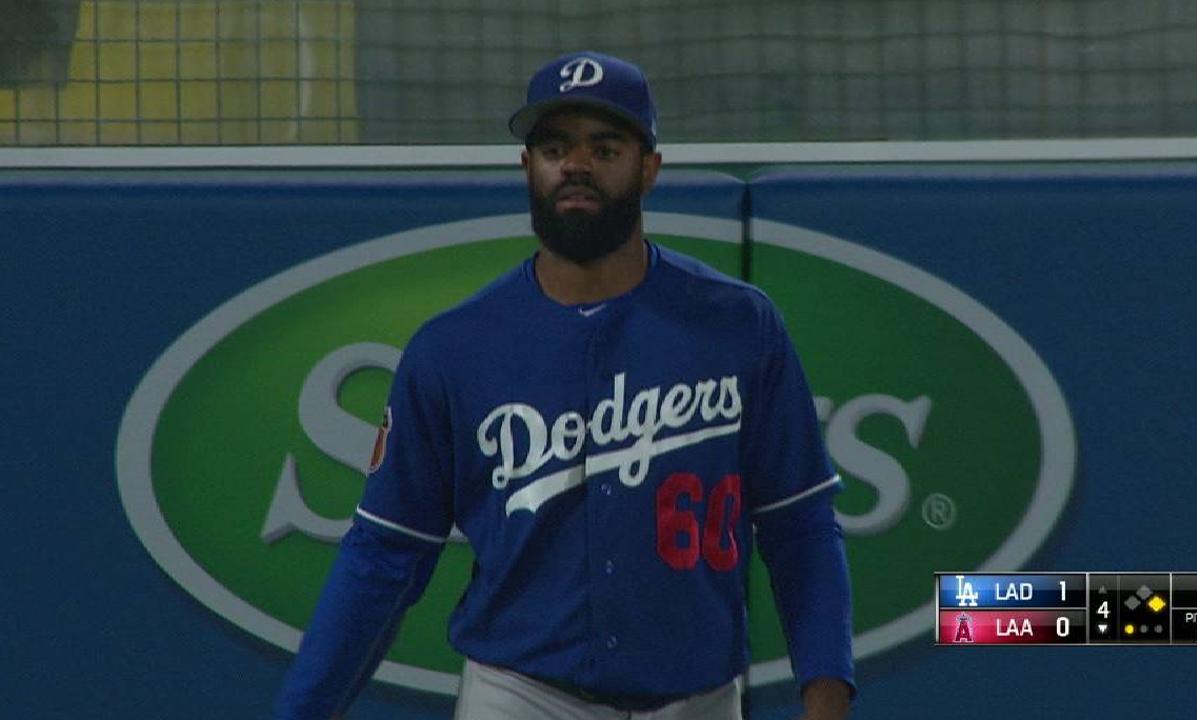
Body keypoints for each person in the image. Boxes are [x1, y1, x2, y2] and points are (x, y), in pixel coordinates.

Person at [274, 50, 854, 720]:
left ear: (650, 169)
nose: (575, 165)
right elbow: (383, 555)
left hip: (700, 698)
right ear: (528, 169)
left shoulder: (738, 325)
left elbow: (801, 524)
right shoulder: (453, 349)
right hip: (521, 695)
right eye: (554, 147)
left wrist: (827, 692)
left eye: (604, 148)